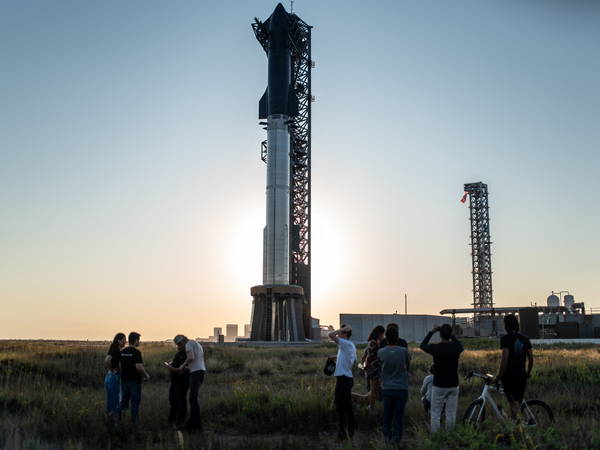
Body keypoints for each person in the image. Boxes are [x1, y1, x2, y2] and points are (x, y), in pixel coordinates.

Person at [420, 324, 463, 433]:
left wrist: (432, 331)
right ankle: (450, 435)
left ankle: (436, 437)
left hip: (439, 385)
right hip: (453, 384)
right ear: (450, 334)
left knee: (435, 414)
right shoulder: (456, 348)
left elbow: (423, 345)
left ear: (440, 335)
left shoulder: (436, 348)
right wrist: (452, 335)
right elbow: (460, 345)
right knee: (451, 413)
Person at [377, 324, 410, 444]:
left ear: (386, 338)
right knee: (398, 416)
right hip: (401, 388)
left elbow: (379, 367)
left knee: (387, 415)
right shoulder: (403, 351)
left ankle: (387, 437)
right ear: (397, 338)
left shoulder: (380, 352)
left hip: (386, 388)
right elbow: (407, 365)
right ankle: (396, 439)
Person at [496, 314, 533, 421]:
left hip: (509, 376)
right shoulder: (525, 339)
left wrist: (499, 375)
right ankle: (514, 423)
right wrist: (528, 372)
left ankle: (515, 427)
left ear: (506, 325)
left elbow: (504, 359)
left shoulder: (505, 339)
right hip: (521, 374)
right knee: (516, 401)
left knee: (512, 402)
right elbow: (531, 358)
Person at [172, 335, 206, 431]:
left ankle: (196, 424)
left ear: (183, 341)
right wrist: (186, 368)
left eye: (179, 344)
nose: (180, 346)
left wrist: (182, 366)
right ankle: (193, 422)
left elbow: (191, 357)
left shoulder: (188, 344)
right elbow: (196, 361)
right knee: (192, 398)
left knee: (192, 398)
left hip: (196, 373)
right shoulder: (196, 343)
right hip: (200, 372)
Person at [328, 325, 357, 440]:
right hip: (347, 379)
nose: (338, 334)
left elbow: (330, 335)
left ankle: (342, 434)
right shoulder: (350, 346)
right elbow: (353, 361)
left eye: (340, 332)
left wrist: (343, 329)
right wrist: (335, 358)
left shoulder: (345, 343)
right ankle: (350, 431)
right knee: (347, 406)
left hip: (343, 379)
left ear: (344, 334)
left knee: (340, 407)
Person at [120, 332, 150, 424]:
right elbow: (139, 367)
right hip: (135, 382)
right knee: (135, 403)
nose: (139, 342)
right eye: (139, 340)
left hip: (124, 381)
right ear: (136, 340)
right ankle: (134, 423)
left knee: (124, 402)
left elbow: (119, 366)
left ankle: (119, 420)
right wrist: (146, 376)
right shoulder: (137, 353)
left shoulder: (122, 352)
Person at [165, 336, 191, 426]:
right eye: (177, 344)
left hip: (182, 380)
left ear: (185, 342)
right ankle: (172, 418)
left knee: (180, 400)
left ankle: (180, 420)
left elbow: (188, 367)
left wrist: (172, 368)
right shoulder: (179, 353)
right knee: (173, 399)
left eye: (180, 344)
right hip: (175, 380)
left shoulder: (188, 353)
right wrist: (171, 364)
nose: (178, 346)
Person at [104, 332, 126, 426]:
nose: (125, 342)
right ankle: (114, 424)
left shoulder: (114, 349)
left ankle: (112, 423)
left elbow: (108, 361)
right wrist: (113, 370)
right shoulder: (115, 350)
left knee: (112, 400)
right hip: (113, 377)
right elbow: (107, 360)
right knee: (115, 400)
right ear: (119, 340)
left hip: (110, 376)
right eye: (124, 340)